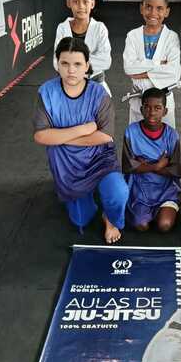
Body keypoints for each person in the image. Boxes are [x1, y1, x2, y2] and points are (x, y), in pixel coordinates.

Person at [33, 36, 128, 243]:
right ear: (57, 64)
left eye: (77, 64)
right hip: (66, 165)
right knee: (81, 219)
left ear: (87, 65)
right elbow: (41, 135)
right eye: (65, 63)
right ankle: (86, 195)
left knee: (119, 193)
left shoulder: (99, 93)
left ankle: (110, 218)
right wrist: (83, 129)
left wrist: (60, 137)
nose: (71, 70)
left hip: (99, 160)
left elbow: (105, 135)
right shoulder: (47, 92)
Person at [122, 87, 181, 232]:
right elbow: (128, 167)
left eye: (157, 108)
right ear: (141, 109)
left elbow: (176, 171)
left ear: (165, 111)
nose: (152, 112)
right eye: (147, 107)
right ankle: (145, 212)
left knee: (164, 225)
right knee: (141, 226)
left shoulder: (172, 135)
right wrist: (157, 166)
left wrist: (144, 165)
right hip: (140, 189)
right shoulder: (131, 132)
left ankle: (166, 208)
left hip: (165, 189)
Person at [123, 0, 181, 128]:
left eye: (159, 8)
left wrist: (142, 73)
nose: (153, 13)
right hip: (139, 101)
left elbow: (174, 73)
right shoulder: (132, 35)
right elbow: (129, 68)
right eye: (148, 7)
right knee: (136, 139)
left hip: (164, 101)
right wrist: (158, 64)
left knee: (166, 139)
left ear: (167, 11)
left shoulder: (171, 37)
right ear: (141, 8)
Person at [53, 0, 112, 94]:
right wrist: (84, 63)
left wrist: (70, 63)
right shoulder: (62, 28)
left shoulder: (99, 28)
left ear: (92, 4)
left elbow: (105, 61)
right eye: (76, 2)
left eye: (85, 2)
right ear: (68, 3)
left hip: (95, 84)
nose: (81, 6)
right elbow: (56, 62)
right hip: (67, 84)